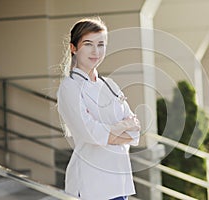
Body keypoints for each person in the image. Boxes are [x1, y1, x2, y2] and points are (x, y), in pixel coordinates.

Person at [57, 17, 141, 200]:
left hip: (119, 182)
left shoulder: (109, 84)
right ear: (74, 48)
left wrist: (109, 132)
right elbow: (91, 134)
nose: (96, 51)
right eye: (88, 44)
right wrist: (121, 126)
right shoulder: (70, 87)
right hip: (91, 184)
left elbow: (135, 133)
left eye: (101, 44)